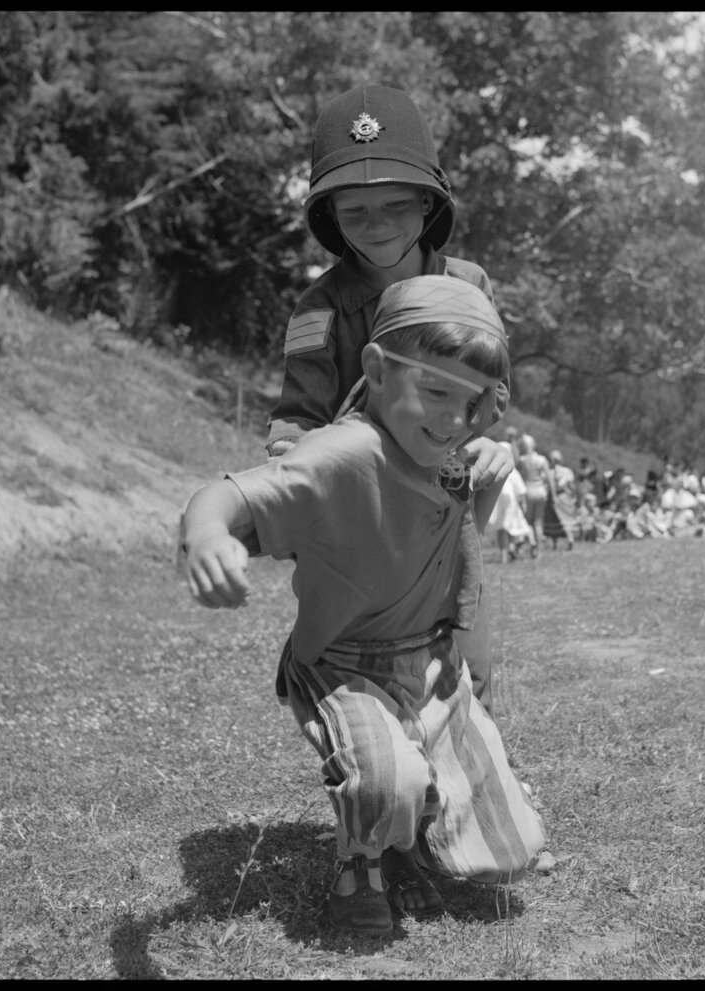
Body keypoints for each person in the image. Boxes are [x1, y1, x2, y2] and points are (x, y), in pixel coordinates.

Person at [181, 277, 544, 937]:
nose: (454, 419)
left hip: (433, 668)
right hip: (345, 667)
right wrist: (208, 537)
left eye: (472, 404)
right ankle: (360, 866)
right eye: (437, 392)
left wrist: (492, 460)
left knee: (512, 852)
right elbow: (223, 496)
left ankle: (409, 836)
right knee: (386, 779)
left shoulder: (446, 448)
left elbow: (455, 532)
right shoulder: (342, 454)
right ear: (375, 371)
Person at [263, 83, 509, 717]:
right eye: (355, 211)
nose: (377, 225)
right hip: (364, 522)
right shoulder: (318, 310)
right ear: (330, 215)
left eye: (396, 205)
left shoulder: (470, 285)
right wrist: (296, 462)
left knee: (468, 661)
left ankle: (473, 760)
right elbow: (297, 417)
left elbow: (493, 388)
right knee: (358, 669)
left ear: (428, 202)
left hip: (449, 510)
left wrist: (489, 443)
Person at [488, 449, 534, 563]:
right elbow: (521, 489)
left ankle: (505, 555)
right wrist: (523, 503)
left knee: (502, 529)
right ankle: (512, 549)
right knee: (511, 528)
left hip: (497, 502)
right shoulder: (512, 470)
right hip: (509, 502)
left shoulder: (493, 468)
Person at [515, 434, 552, 558]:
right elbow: (549, 478)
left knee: (528, 521)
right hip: (541, 491)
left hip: (528, 490)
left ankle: (531, 544)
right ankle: (539, 551)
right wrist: (553, 493)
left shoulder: (522, 460)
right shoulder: (542, 459)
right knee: (538, 522)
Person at [543, 449, 577, 550]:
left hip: (553, 498)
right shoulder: (567, 471)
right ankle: (570, 539)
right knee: (565, 519)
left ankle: (555, 544)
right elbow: (572, 487)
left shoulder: (549, 472)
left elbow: (547, 486)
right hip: (565, 497)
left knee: (554, 520)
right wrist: (573, 497)